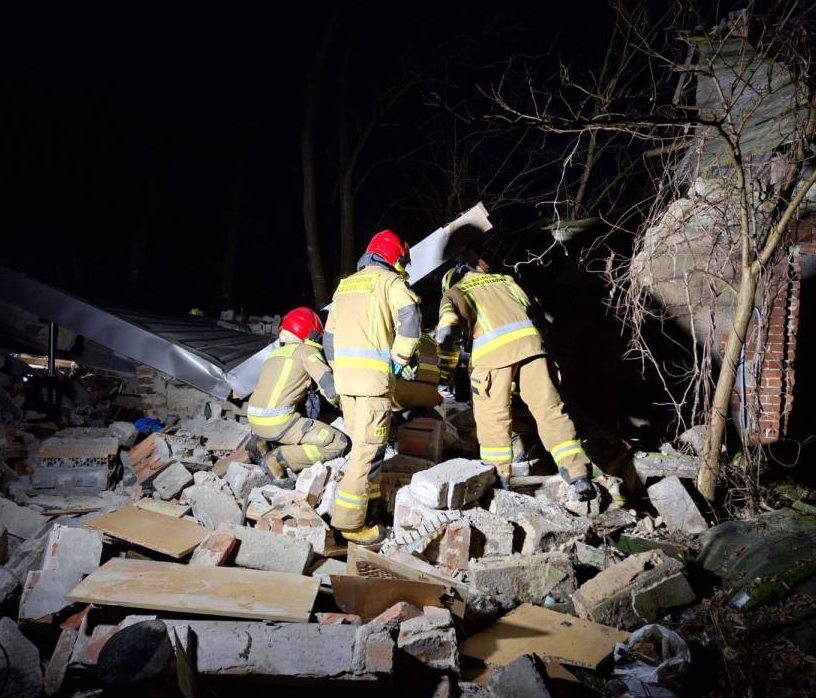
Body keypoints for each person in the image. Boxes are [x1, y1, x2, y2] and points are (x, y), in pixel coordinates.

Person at [436, 254, 597, 501]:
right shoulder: (506, 281)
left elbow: (448, 335)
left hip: (492, 356)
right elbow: (536, 314)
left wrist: (445, 374)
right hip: (532, 349)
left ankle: (497, 480)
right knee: (550, 410)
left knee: (493, 419)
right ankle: (578, 474)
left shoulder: (454, 293)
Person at [323, 229, 421, 545]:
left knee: (366, 448)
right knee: (367, 453)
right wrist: (400, 359)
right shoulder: (391, 283)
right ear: (395, 256)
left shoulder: (345, 285)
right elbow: (410, 318)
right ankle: (349, 525)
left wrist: (340, 370)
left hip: (347, 385)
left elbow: (328, 338)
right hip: (372, 386)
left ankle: (372, 503)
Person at [246, 307, 349, 480]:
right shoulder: (306, 351)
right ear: (310, 332)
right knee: (338, 442)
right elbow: (331, 392)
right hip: (279, 423)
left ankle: (261, 442)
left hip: (255, 422)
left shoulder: (274, 355)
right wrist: (348, 406)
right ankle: (277, 459)